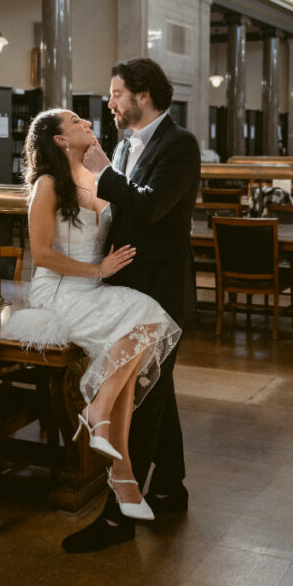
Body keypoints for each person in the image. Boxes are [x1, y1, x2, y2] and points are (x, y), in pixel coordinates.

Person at [62, 57, 201, 553]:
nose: (111, 102)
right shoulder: (124, 144)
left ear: (143, 96)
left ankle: (119, 519)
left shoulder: (180, 144)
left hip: (162, 294)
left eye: (117, 92)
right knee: (157, 390)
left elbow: (150, 206)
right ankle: (169, 489)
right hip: (132, 292)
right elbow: (120, 210)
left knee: (137, 401)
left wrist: (102, 170)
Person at [23, 107, 181, 522]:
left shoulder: (96, 178)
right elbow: (40, 253)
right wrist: (97, 270)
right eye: (75, 122)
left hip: (94, 287)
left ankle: (122, 474)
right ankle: (113, 452)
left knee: (127, 365)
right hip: (59, 289)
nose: (87, 124)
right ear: (59, 140)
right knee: (147, 317)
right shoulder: (47, 184)